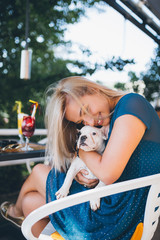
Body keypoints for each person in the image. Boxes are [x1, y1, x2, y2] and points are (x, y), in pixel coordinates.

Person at [1, 76, 160, 239]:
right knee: (30, 202)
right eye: (82, 121)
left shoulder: (132, 104)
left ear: (93, 89)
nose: (91, 121)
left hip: (116, 216)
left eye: (85, 109)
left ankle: (15, 211)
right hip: (116, 206)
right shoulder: (120, 112)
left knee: (38, 170)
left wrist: (81, 151)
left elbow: (107, 173)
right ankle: (20, 211)